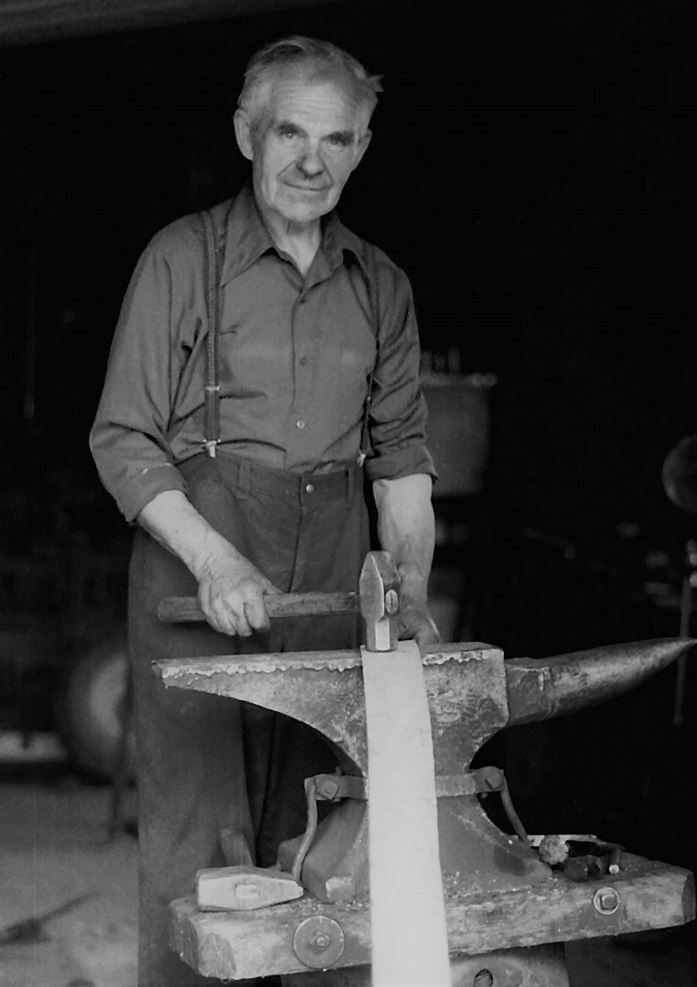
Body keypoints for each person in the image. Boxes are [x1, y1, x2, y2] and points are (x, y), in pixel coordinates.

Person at [90, 35, 439, 987]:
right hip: (199, 553)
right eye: (291, 131)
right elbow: (122, 437)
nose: (312, 160)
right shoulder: (180, 258)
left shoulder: (383, 288)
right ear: (248, 132)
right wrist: (215, 561)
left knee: (324, 828)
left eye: (337, 138)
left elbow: (402, 464)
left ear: (363, 146)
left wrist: (406, 583)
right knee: (202, 842)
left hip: (333, 563)